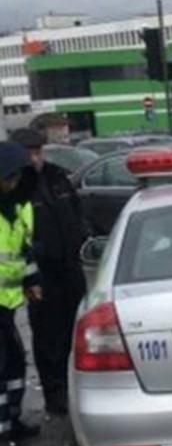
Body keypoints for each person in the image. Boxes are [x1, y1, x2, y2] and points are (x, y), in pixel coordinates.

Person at [11, 128, 86, 418]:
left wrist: (81, 233)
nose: (35, 157)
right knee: (48, 337)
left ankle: (74, 389)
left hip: (71, 268)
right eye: (30, 152)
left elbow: (76, 211)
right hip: (41, 273)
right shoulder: (15, 186)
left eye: (38, 151)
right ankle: (55, 396)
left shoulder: (57, 177)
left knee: (74, 332)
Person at [0, 140, 41, 446]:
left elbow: (21, 252)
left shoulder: (20, 207)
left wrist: (32, 281)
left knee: (14, 363)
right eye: (8, 177)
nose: (12, 183)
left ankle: (12, 421)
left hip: (9, 302)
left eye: (16, 178)